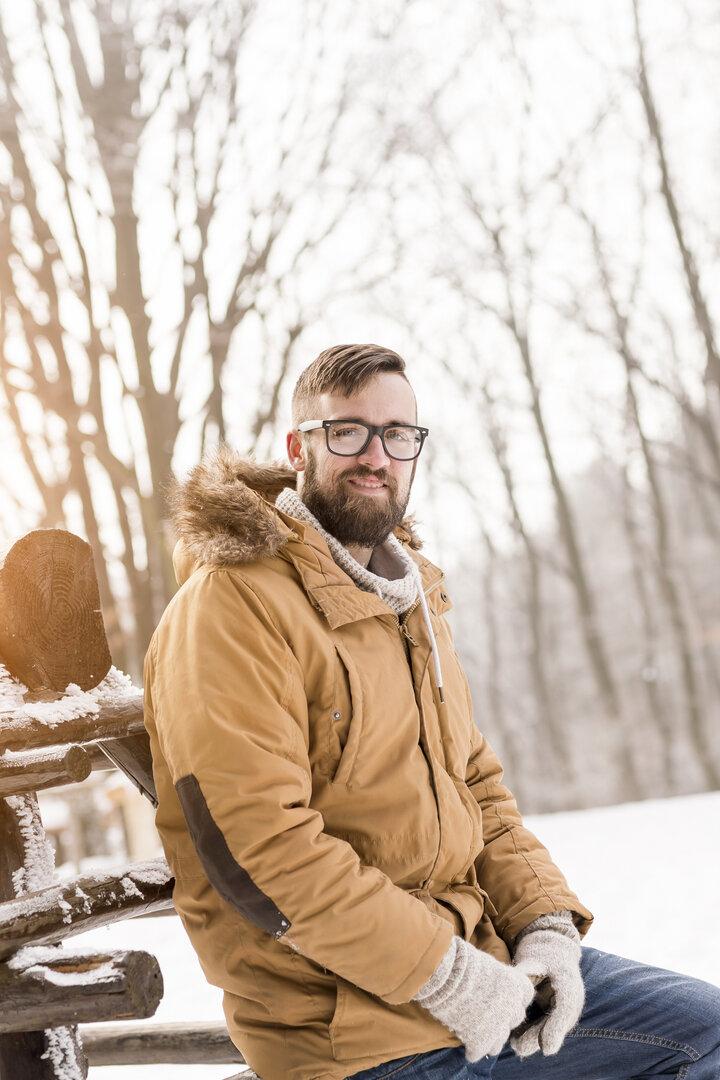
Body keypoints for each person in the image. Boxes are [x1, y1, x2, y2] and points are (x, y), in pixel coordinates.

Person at [143, 344, 720, 1080]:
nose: (375, 455)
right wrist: (447, 976)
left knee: (704, 1031)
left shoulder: (408, 598)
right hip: (349, 1026)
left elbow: (475, 783)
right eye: (346, 431)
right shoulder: (233, 606)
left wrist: (543, 930)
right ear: (298, 448)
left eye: (397, 435)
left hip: (481, 967)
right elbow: (260, 847)